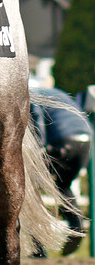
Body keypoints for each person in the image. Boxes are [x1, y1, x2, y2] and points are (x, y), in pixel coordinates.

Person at [30, 86, 93, 256]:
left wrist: (40, 147)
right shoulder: (58, 93)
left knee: (28, 190)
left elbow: (36, 114)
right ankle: (76, 225)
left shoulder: (31, 93)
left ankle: (37, 249)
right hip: (85, 142)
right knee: (63, 186)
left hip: (61, 140)